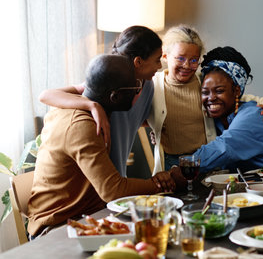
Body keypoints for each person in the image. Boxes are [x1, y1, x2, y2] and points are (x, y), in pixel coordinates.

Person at [27, 54, 185, 238]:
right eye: (136, 89)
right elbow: (113, 190)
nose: (139, 93)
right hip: (56, 228)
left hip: (90, 215)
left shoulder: (74, 105)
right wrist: (162, 182)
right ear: (115, 96)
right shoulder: (82, 126)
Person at [147, 25, 263, 172]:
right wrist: (156, 130)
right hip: (170, 161)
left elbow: (243, 98)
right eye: (180, 58)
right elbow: (140, 116)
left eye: (193, 60)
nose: (186, 65)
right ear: (165, 56)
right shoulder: (154, 87)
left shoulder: (203, 82)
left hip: (207, 158)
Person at [38, 26, 162, 176]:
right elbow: (46, 95)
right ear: (138, 62)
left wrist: (158, 131)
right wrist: (92, 105)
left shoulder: (148, 87)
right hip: (95, 177)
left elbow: (139, 119)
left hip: (119, 175)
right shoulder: (107, 85)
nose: (160, 66)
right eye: (157, 60)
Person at [193, 46, 263, 172]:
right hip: (259, 186)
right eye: (205, 92)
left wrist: (181, 167)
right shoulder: (217, 120)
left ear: (236, 91)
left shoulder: (254, 115)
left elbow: (223, 149)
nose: (211, 98)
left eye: (219, 91)